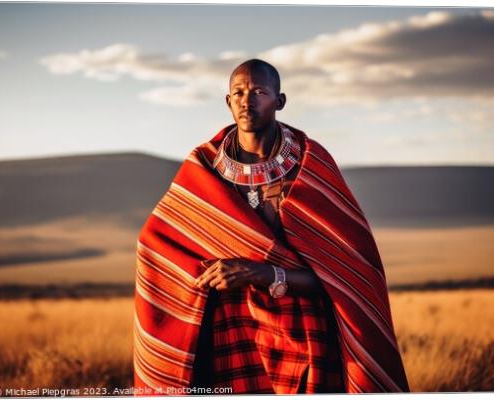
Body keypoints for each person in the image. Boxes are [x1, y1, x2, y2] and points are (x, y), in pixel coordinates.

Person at [133, 59, 410, 395]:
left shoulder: (310, 166)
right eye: (238, 93)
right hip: (232, 331)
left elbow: (345, 277)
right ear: (227, 101)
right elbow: (156, 245)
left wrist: (263, 274)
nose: (247, 101)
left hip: (305, 332)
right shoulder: (204, 168)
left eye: (259, 92)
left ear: (279, 101)